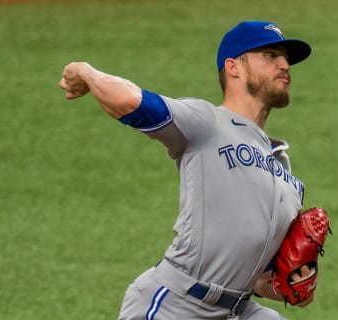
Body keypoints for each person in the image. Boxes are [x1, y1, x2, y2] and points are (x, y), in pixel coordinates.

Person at [59, 20, 315, 320]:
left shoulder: (284, 173)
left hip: (237, 309)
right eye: (271, 55)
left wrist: (291, 283)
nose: (284, 64)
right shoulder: (207, 123)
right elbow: (129, 101)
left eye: (286, 58)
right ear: (234, 67)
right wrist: (86, 72)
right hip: (176, 304)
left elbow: (259, 278)